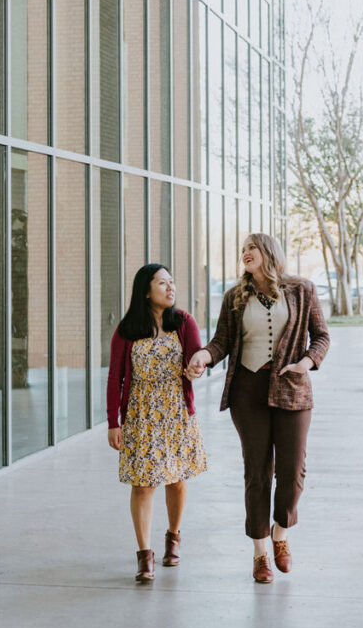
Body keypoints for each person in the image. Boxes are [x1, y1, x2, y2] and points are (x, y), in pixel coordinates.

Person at [187, 233, 329, 583]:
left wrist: (307, 363)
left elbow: (321, 335)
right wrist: (204, 356)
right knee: (257, 472)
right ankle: (261, 552)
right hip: (247, 391)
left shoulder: (303, 290)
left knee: (293, 472)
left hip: (291, 388)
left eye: (251, 248)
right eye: (242, 250)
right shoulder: (235, 296)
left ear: (268, 252)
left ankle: (281, 534)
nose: (245, 254)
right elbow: (221, 341)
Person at [106, 264, 207, 583]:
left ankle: (173, 538)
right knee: (144, 483)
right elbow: (115, 378)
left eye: (172, 282)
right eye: (162, 283)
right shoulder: (128, 329)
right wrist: (113, 421)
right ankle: (144, 554)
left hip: (177, 413)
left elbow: (196, 357)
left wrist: (196, 369)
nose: (170, 287)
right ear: (146, 290)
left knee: (176, 480)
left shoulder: (184, 322)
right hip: (140, 415)